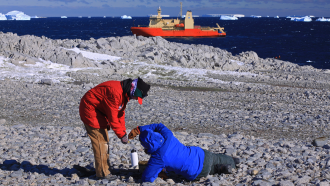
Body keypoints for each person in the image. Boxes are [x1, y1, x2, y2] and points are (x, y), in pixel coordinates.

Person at [79, 77, 150, 180]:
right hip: (90, 110)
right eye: (136, 97)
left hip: (99, 111)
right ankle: (103, 173)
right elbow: (113, 117)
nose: (135, 99)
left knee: (104, 141)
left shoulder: (124, 93)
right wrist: (121, 135)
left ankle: (104, 168)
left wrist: (123, 132)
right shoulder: (115, 93)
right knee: (101, 142)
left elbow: (120, 113)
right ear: (134, 90)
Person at [128, 123, 238, 183]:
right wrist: (139, 129)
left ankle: (219, 169)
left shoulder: (157, 158)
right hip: (201, 154)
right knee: (217, 158)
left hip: (197, 171)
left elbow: (146, 178)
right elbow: (159, 126)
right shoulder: (168, 136)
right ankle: (233, 161)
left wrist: (157, 172)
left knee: (210, 169)